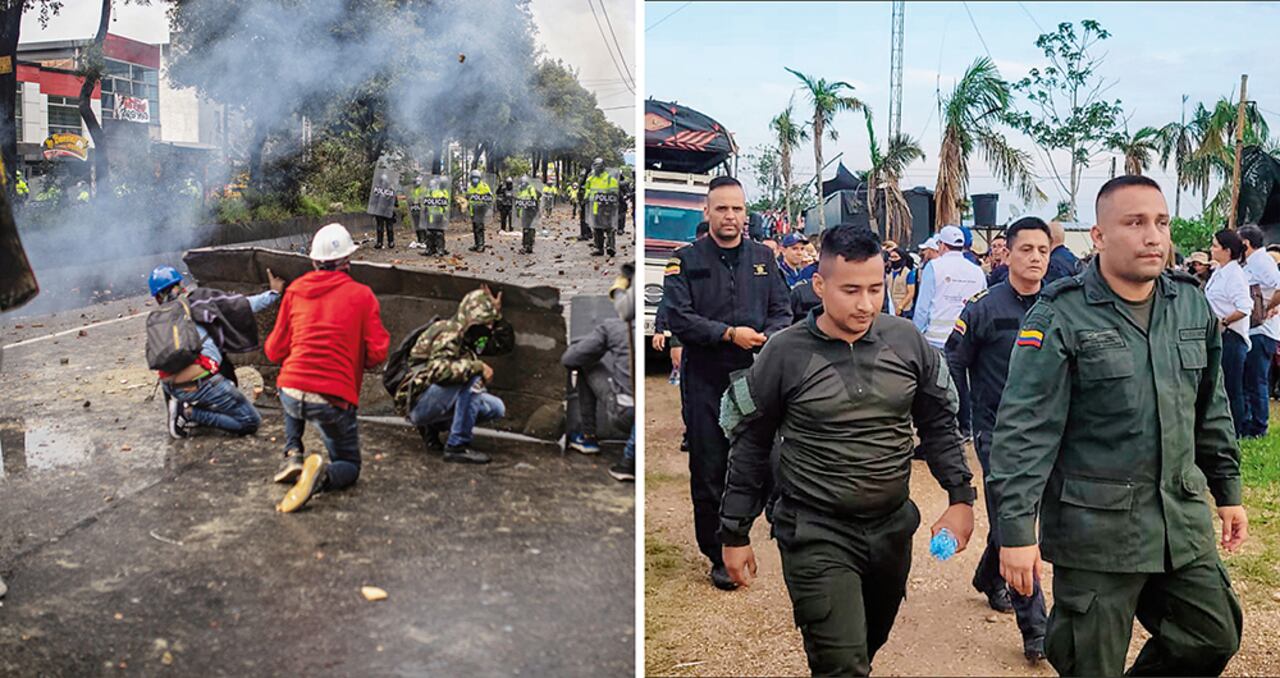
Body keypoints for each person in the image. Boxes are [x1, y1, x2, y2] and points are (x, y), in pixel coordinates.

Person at [990, 175, 1246, 676]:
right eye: (1135, 222)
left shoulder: (1189, 302)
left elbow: (1210, 406)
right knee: (1090, 664)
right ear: (1099, 236)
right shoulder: (1060, 314)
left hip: (1178, 522)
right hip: (1097, 535)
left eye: (1162, 222)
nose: (1153, 236)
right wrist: (1016, 531)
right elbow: (1025, 430)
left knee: (1212, 635)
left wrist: (1227, 489)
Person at [719, 223, 976, 676]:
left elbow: (938, 423)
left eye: (875, 289)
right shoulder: (784, 353)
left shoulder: (906, 341)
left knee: (867, 647)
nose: (865, 304)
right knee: (842, 665)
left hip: (891, 531)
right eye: (851, 290)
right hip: (815, 532)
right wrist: (734, 532)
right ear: (820, 285)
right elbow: (751, 445)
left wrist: (960, 498)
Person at [662, 175, 791, 590]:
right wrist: (728, 334)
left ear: (745, 213)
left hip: (754, 375)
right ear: (708, 212)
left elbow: (783, 309)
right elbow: (678, 317)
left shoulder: (763, 258)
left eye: (737, 208)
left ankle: (750, 527)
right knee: (710, 466)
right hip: (706, 376)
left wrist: (770, 336)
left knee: (767, 459)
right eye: (722, 208)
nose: (730, 216)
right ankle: (718, 553)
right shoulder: (685, 260)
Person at [944, 216, 1052, 663]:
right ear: (1006, 252)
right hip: (998, 432)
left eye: (1043, 250)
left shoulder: (1058, 305)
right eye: (1026, 249)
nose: (1035, 258)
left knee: (1017, 514)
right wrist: (963, 417)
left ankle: (990, 576)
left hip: (1049, 431)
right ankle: (1036, 630)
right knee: (1015, 518)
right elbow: (953, 362)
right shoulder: (983, 307)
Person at [265, 223, 390, 513]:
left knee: (293, 382)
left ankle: (293, 453)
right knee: (349, 465)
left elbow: (274, 351)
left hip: (290, 393)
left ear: (314, 261)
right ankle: (320, 476)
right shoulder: (362, 295)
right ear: (348, 261)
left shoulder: (295, 290)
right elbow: (377, 354)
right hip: (332, 399)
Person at [147, 265, 282, 439]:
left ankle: (181, 409)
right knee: (250, 421)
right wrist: (274, 293)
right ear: (181, 285)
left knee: (219, 375)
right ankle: (188, 413)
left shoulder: (158, 317)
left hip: (171, 386)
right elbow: (243, 305)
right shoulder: (198, 301)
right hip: (202, 381)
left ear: (157, 297)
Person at [398, 287, 507, 465]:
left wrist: (497, 315)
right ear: (470, 319)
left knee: (496, 407)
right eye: (484, 322)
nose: (488, 327)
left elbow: (503, 344)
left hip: (432, 399)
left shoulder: (468, 337)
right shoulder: (449, 331)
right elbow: (438, 371)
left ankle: (434, 426)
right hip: (418, 403)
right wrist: (477, 367)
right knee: (473, 376)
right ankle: (457, 445)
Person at [914, 225, 986, 439]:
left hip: (937, 338)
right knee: (964, 384)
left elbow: (923, 306)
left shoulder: (934, 267)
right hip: (969, 338)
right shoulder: (976, 270)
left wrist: (917, 334)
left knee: (939, 385)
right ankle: (967, 427)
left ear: (942, 245)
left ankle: (945, 427)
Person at [1206, 229, 1253, 439]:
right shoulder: (1220, 271)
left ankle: (1236, 432)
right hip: (1220, 336)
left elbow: (1244, 307)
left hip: (1231, 337)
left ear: (1227, 250)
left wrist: (1224, 322)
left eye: (1215, 246)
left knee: (1232, 388)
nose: (1211, 249)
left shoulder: (1235, 275)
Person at [1240, 224, 1280, 438]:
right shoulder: (1250, 263)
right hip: (1252, 331)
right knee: (1248, 380)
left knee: (1257, 381)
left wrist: (1266, 308)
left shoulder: (1263, 262)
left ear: (1245, 243)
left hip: (1263, 331)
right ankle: (1248, 424)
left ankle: (1259, 427)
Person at [584, 158, 620, 257]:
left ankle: (611, 247)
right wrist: (585, 198)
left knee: (609, 228)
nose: (597, 169)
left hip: (606, 207)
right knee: (596, 228)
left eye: (599, 167)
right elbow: (587, 190)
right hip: (594, 207)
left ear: (603, 167)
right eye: (595, 166)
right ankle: (599, 248)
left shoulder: (609, 179)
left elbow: (614, 193)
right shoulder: (590, 179)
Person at [367, 162, 399, 250]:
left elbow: (394, 199)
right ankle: (387, 242)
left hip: (384, 209)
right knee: (384, 227)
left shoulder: (383, 188)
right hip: (383, 209)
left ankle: (383, 242)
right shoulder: (381, 188)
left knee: (384, 227)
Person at [465, 170, 494, 252]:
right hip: (473, 211)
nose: (475, 180)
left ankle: (481, 245)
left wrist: (485, 208)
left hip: (480, 211)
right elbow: (468, 198)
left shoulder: (484, 186)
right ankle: (477, 244)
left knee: (479, 228)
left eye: (476, 178)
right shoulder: (470, 188)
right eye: (473, 178)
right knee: (475, 227)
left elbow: (490, 198)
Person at [422, 176, 450, 257]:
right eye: (430, 185)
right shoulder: (428, 193)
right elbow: (425, 204)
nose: (431, 187)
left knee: (438, 234)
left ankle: (440, 250)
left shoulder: (439, 193)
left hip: (438, 216)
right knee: (429, 234)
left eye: (432, 185)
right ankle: (430, 249)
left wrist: (442, 211)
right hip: (429, 216)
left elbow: (445, 205)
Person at [514, 176, 539, 254]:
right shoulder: (521, 191)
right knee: (525, 230)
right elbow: (518, 202)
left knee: (529, 229)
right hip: (523, 213)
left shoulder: (530, 189)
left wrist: (530, 205)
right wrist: (518, 212)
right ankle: (526, 245)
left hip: (530, 213)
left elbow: (534, 199)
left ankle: (528, 246)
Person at [888, 246, 915, 315]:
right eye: (891, 257)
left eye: (895, 257)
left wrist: (900, 307)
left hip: (904, 309)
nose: (893, 259)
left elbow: (911, 293)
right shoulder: (889, 272)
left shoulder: (908, 273)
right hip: (890, 308)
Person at [408, 176, 428, 248]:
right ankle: (419, 239)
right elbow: (410, 198)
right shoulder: (413, 190)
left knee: (422, 225)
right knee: (416, 225)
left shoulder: (423, 189)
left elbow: (425, 199)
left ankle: (425, 240)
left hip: (422, 210)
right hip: (415, 209)